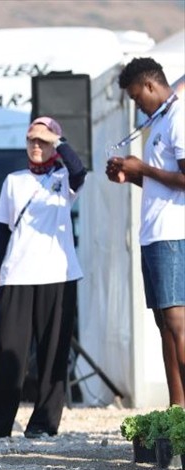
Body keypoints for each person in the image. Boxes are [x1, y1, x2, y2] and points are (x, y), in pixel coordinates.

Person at [0, 117, 86, 439]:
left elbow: (79, 170)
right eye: (31, 140)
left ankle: (43, 423)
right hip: (17, 274)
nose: (36, 146)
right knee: (9, 352)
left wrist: (59, 141)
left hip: (58, 275)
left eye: (43, 141)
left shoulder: (65, 178)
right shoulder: (14, 180)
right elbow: (2, 231)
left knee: (53, 352)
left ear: (54, 144)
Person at [106, 57, 185, 407]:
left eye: (138, 98)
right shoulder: (162, 120)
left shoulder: (180, 117)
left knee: (178, 325)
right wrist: (131, 174)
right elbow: (164, 184)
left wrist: (143, 168)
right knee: (164, 329)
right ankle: (177, 411)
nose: (138, 105)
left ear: (151, 86)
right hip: (154, 236)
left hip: (172, 235)